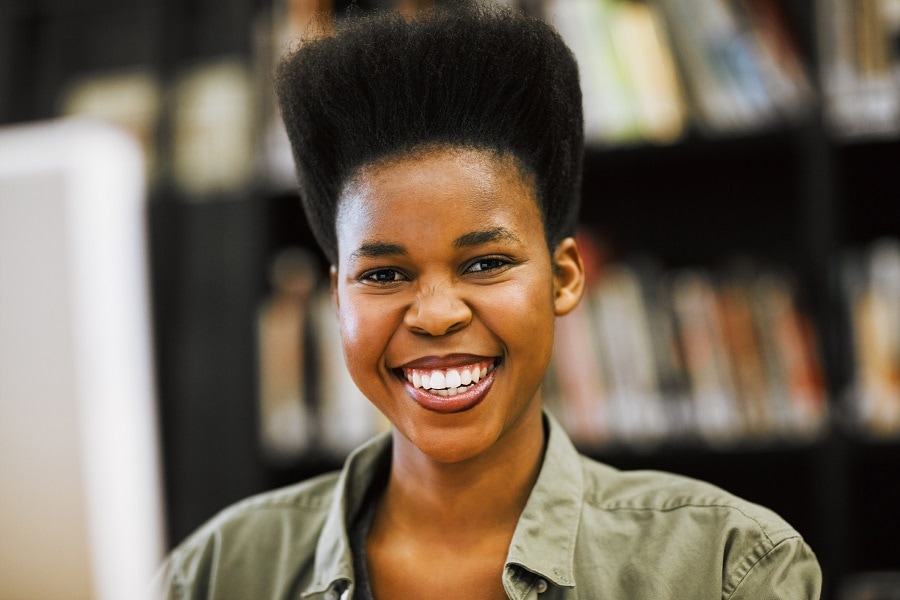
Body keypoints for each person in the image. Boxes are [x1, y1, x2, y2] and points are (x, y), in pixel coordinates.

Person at [153, 5, 822, 599]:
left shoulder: (728, 568)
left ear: (563, 278)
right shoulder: (215, 575)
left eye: (486, 263)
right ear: (336, 297)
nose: (437, 313)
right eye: (384, 276)